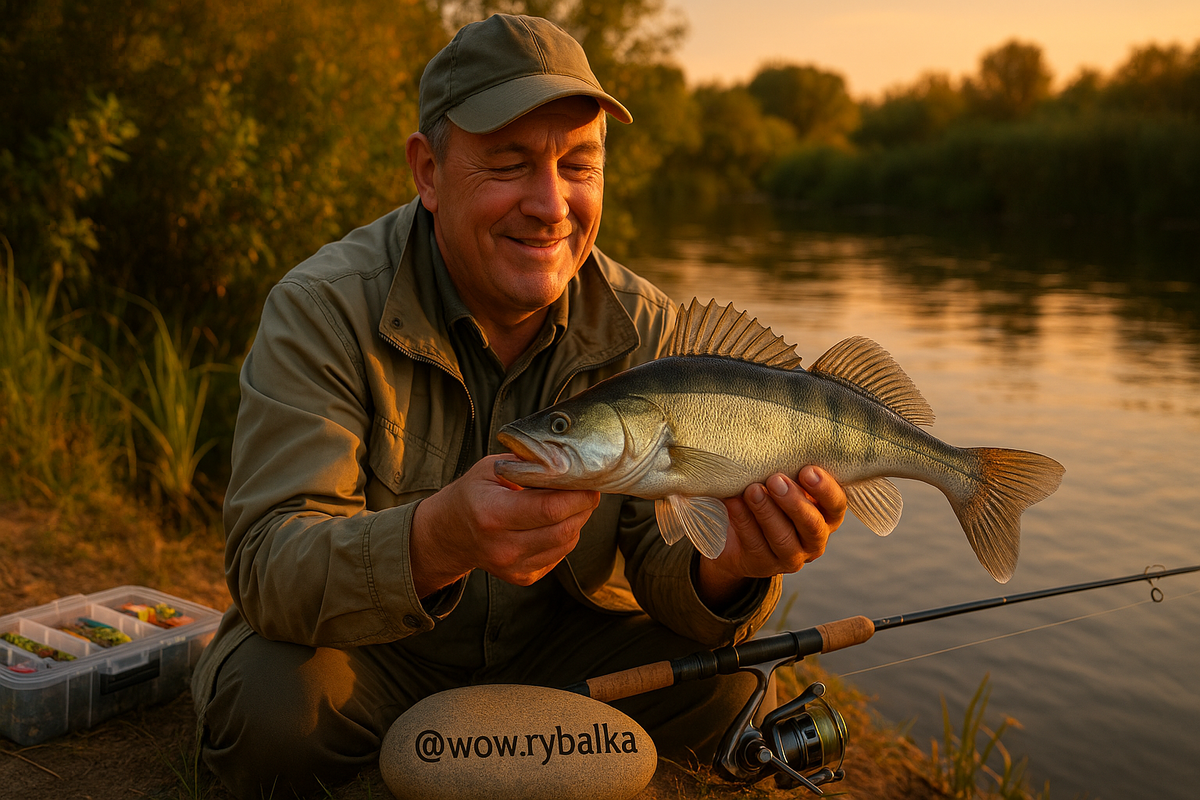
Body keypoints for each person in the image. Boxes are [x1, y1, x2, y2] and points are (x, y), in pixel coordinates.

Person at [192, 13, 846, 799]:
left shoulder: (650, 326)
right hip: (373, 650)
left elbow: (660, 566)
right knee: (270, 712)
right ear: (428, 171)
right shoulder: (322, 309)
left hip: (557, 652)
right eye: (509, 163)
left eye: (579, 164)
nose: (550, 204)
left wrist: (731, 568)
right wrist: (438, 539)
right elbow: (268, 564)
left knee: (736, 689)